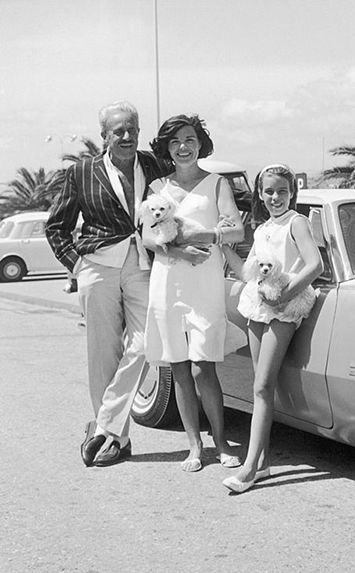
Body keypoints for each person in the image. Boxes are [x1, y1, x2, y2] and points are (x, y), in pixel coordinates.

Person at [45, 100, 173, 467]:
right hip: (97, 266)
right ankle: (117, 439)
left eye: (132, 128)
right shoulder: (82, 172)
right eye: (119, 130)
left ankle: (102, 426)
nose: (127, 135)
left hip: (144, 264)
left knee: (148, 341)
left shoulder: (153, 164)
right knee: (103, 354)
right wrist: (76, 266)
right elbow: (56, 226)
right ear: (104, 136)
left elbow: (192, 166)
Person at [142, 114, 244, 472]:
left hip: (206, 283)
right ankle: (193, 446)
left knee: (204, 366)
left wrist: (204, 237)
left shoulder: (217, 184)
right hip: (168, 282)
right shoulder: (157, 187)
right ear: (166, 149)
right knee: (180, 367)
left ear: (200, 143)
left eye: (189, 139)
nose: (183, 147)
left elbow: (236, 232)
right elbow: (148, 238)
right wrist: (178, 250)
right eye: (174, 142)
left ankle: (222, 442)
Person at [221, 164, 322, 493]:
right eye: (269, 192)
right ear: (260, 195)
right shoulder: (263, 227)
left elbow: (314, 265)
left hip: (285, 306)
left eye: (281, 190)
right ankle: (261, 461)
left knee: (264, 386)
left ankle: (249, 469)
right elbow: (248, 273)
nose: (275, 197)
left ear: (292, 191)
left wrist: (284, 296)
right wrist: (222, 245)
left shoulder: (297, 222)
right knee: (258, 387)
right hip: (258, 305)